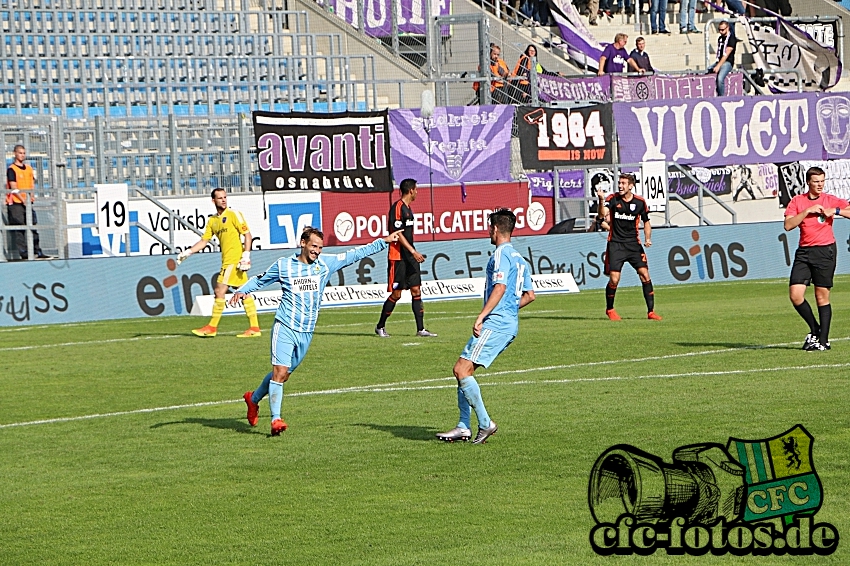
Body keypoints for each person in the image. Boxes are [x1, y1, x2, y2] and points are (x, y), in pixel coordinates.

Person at [235, 227, 402, 435]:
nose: (317, 251)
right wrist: (243, 290)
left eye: (320, 247)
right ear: (302, 243)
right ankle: (276, 420)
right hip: (285, 326)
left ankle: (253, 399)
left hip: (306, 332)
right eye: (314, 246)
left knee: (284, 374)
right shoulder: (284, 265)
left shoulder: (324, 264)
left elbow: (354, 255)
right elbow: (260, 279)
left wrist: (383, 241)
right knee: (279, 372)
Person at [436, 209, 535, 444]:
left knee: (461, 369)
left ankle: (484, 423)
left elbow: (499, 288)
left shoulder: (501, 255)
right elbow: (530, 296)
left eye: (488, 228)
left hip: (497, 323)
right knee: (464, 370)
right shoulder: (520, 259)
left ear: (494, 229)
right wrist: (509, 310)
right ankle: (462, 426)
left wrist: (482, 316)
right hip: (509, 323)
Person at [176, 188, 260, 338]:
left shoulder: (234, 214)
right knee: (244, 292)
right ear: (213, 201)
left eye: (225, 197)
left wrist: (246, 255)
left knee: (219, 291)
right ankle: (254, 327)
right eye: (220, 198)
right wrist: (188, 252)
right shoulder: (213, 221)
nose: (223, 200)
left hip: (234, 261)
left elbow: (248, 235)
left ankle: (212, 327)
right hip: (227, 260)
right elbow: (204, 241)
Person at [783, 167, 849, 351]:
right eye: (816, 181)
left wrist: (835, 211)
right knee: (795, 295)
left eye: (822, 181)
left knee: (821, 296)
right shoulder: (797, 201)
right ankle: (815, 329)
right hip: (804, 252)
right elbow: (788, 225)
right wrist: (806, 212)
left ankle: (824, 341)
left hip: (825, 251)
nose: (819, 185)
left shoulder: (830, 200)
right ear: (808, 183)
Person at [375, 179, 437, 338]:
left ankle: (421, 329)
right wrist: (413, 251)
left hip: (410, 257)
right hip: (398, 258)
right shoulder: (397, 208)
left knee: (416, 290)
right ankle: (380, 326)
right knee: (397, 294)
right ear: (411, 190)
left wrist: (412, 253)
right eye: (416, 189)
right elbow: (397, 233)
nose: (417, 192)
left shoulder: (409, 209)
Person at [601, 173, 661, 321]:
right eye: (619, 183)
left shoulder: (640, 202)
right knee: (614, 279)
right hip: (616, 244)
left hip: (634, 244)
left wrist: (648, 238)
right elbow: (603, 214)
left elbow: (646, 221)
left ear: (631, 186)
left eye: (623, 183)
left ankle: (651, 312)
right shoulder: (612, 199)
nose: (620, 186)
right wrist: (601, 200)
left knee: (645, 275)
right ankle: (610, 309)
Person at [6, 144, 46, 260]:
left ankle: (37, 250)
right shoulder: (12, 169)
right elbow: (14, 187)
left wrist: (31, 197)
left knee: (33, 226)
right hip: (17, 203)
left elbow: (31, 184)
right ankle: (24, 253)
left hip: (28, 202)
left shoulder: (28, 168)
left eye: (23, 153)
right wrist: (22, 199)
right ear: (15, 154)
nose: (22, 155)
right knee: (20, 228)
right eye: (20, 153)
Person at [711, 20, 737, 96]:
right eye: (719, 30)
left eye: (723, 30)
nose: (721, 32)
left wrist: (718, 66)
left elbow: (726, 54)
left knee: (720, 78)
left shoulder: (731, 39)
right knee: (707, 71)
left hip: (728, 63)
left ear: (727, 28)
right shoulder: (720, 38)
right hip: (719, 61)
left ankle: (722, 97)